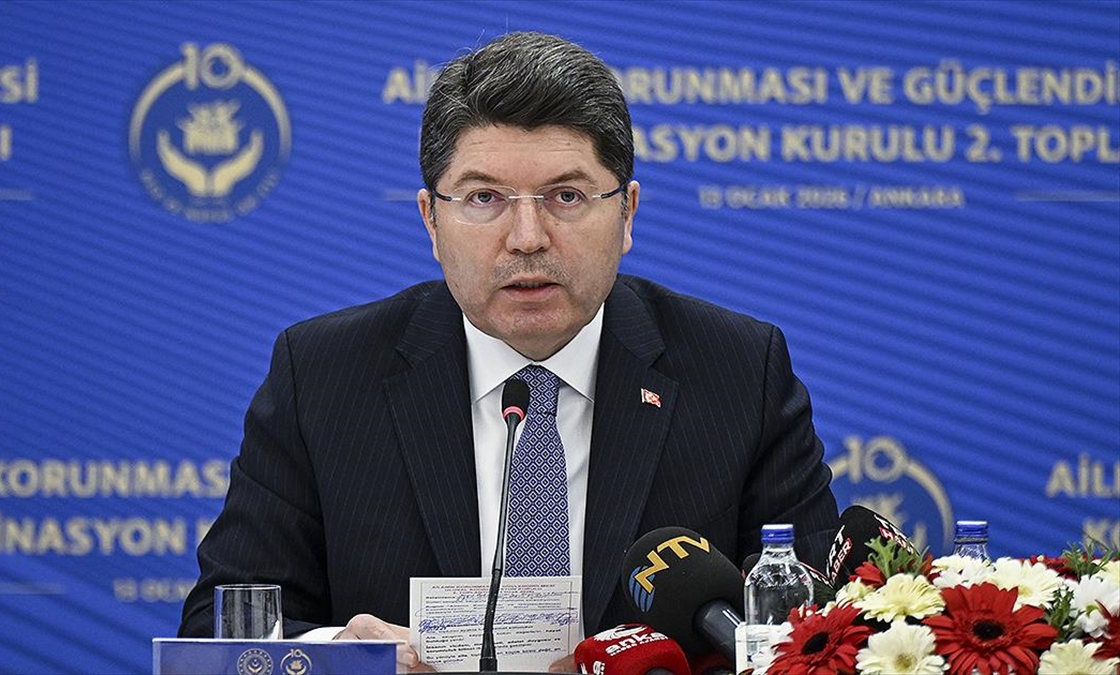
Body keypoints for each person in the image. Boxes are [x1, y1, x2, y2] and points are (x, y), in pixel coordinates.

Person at [178, 31, 839, 671]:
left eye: (567, 196)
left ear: (628, 213)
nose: (527, 237)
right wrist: (356, 659)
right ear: (431, 220)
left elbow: (824, 639)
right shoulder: (324, 375)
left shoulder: (738, 372)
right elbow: (220, 625)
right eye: (484, 198)